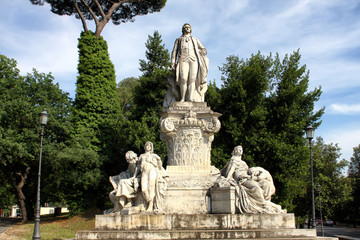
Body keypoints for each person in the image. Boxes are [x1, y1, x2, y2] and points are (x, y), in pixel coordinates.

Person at [222, 146, 284, 214]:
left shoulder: (243, 162)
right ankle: (262, 204)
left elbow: (248, 171)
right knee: (255, 186)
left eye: (241, 149)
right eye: (238, 149)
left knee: (265, 183)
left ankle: (266, 201)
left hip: (248, 177)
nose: (240, 150)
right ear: (235, 151)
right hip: (242, 179)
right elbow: (231, 171)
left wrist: (255, 173)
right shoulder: (233, 160)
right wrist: (227, 178)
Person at [170, 23, 209, 102]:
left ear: (191, 29)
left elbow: (204, 50)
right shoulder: (179, 40)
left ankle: (190, 98)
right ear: (183, 29)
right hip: (183, 59)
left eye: (188, 27)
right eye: (185, 27)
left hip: (193, 60)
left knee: (192, 79)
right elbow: (174, 52)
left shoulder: (195, 39)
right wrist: (172, 63)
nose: (187, 28)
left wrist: (200, 52)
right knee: (183, 79)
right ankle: (182, 98)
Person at [138, 142, 168, 212]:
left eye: (150, 146)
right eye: (147, 146)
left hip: (152, 172)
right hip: (144, 173)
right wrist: (134, 176)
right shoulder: (142, 156)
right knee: (144, 189)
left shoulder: (154, 156)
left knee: (151, 188)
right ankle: (147, 202)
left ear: (151, 148)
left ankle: (150, 205)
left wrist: (151, 161)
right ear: (145, 147)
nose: (148, 147)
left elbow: (158, 166)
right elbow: (138, 167)